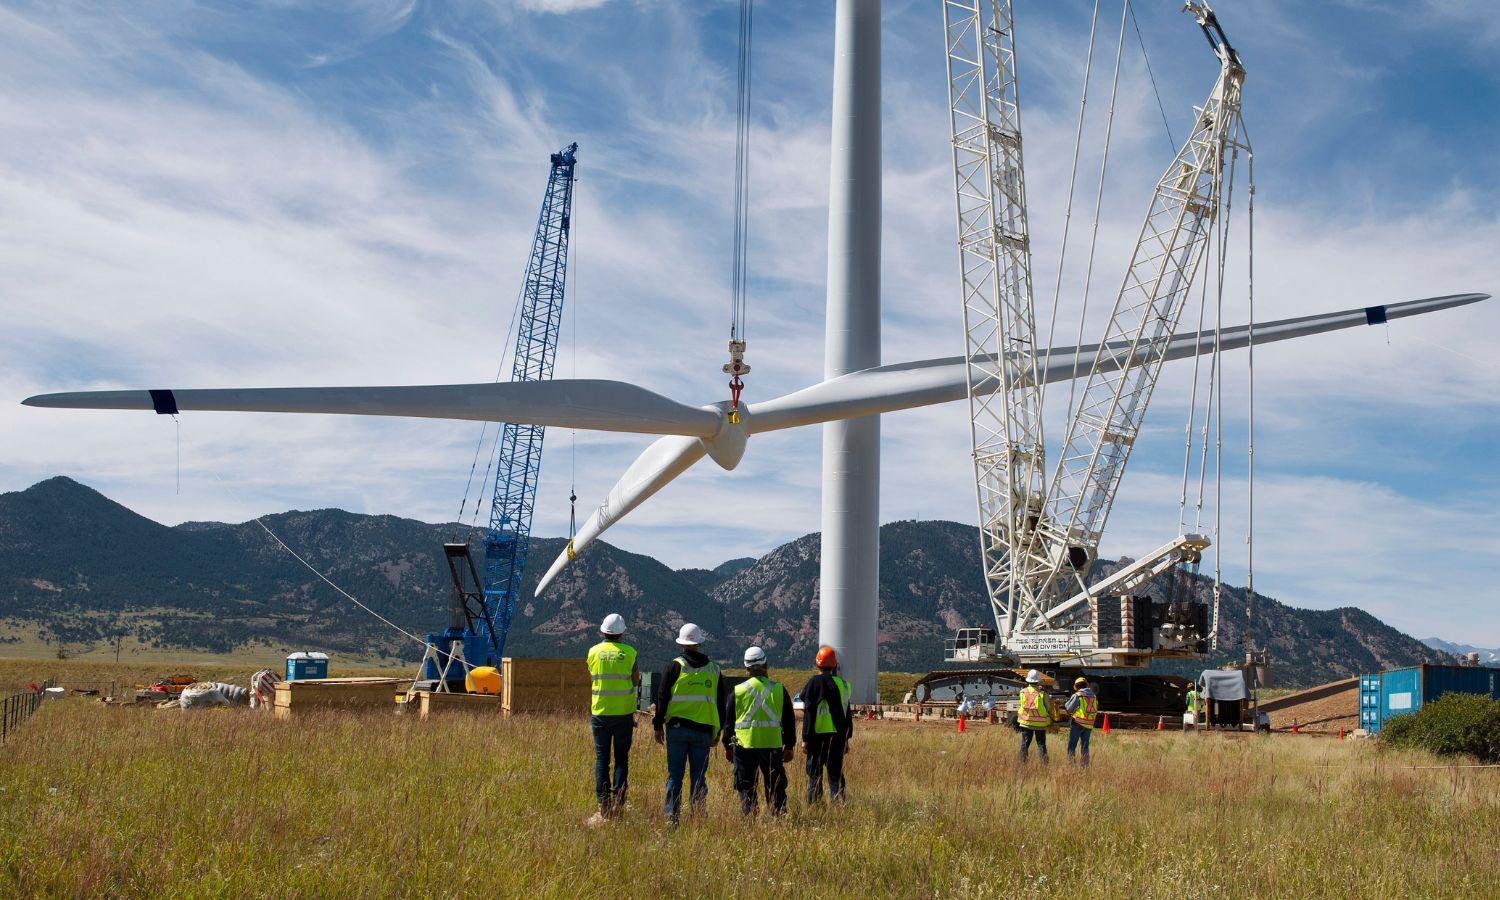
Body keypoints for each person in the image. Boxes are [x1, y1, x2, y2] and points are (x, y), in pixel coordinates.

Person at [653, 622, 729, 824]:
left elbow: (662, 697)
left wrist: (657, 725)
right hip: (703, 732)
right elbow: (721, 703)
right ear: (700, 644)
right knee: (699, 778)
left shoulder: (674, 666)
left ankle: (671, 819)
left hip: (676, 730)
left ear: (681, 644)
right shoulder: (714, 670)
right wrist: (718, 730)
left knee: (674, 777)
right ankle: (698, 819)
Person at [724, 646, 796, 816]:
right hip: (772, 745)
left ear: (746, 667)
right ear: (766, 664)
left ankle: (750, 820)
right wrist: (790, 745)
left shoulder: (737, 691)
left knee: (746, 786)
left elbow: (729, 724)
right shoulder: (779, 689)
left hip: (744, 746)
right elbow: (789, 720)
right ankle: (778, 818)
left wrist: (728, 746)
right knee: (775, 786)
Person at [585, 613, 640, 826]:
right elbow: (635, 681)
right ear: (622, 632)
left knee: (602, 760)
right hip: (624, 714)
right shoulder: (630, 653)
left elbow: (591, 675)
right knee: (621, 759)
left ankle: (603, 804)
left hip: (600, 713)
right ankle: (619, 801)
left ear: (602, 631)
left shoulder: (593, 652)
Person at [800, 645, 852, 804]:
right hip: (837, 737)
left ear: (817, 664)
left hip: (817, 737)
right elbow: (847, 714)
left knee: (815, 775)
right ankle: (839, 806)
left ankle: (814, 807)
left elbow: (809, 713)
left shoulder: (814, 683)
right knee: (835, 775)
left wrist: (805, 738)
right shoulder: (844, 685)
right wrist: (846, 738)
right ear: (834, 665)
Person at [1016, 669, 1053, 764]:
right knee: (1041, 744)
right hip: (1040, 724)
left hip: (1026, 722)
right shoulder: (1042, 693)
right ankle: (1044, 765)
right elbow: (1048, 707)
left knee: (1024, 744)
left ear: (1028, 680)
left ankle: (1022, 764)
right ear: (1038, 681)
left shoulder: (1022, 692)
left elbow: (1022, 705)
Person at [1064, 676, 1098, 766]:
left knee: (1072, 746)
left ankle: (1071, 765)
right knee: (1085, 747)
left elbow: (1068, 709)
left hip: (1078, 723)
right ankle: (1085, 766)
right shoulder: (1093, 696)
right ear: (1086, 685)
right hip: (1089, 724)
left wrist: (1067, 702)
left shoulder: (1077, 695)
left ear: (1077, 686)